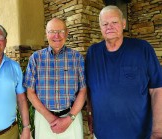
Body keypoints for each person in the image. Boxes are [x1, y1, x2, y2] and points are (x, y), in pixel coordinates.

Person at [85, 5, 162, 139]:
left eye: (114, 22)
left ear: (124, 23)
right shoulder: (92, 53)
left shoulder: (142, 49)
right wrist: (90, 114)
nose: (110, 26)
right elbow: (90, 90)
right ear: (100, 27)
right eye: (105, 23)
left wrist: (158, 131)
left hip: (139, 134)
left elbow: (157, 90)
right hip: (102, 134)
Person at [23, 18, 87, 139]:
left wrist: (69, 118)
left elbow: (83, 90)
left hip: (71, 118)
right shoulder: (36, 58)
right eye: (52, 31)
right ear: (46, 34)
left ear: (67, 33)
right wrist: (50, 118)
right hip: (44, 119)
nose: (56, 35)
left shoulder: (77, 58)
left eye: (60, 31)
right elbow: (30, 93)